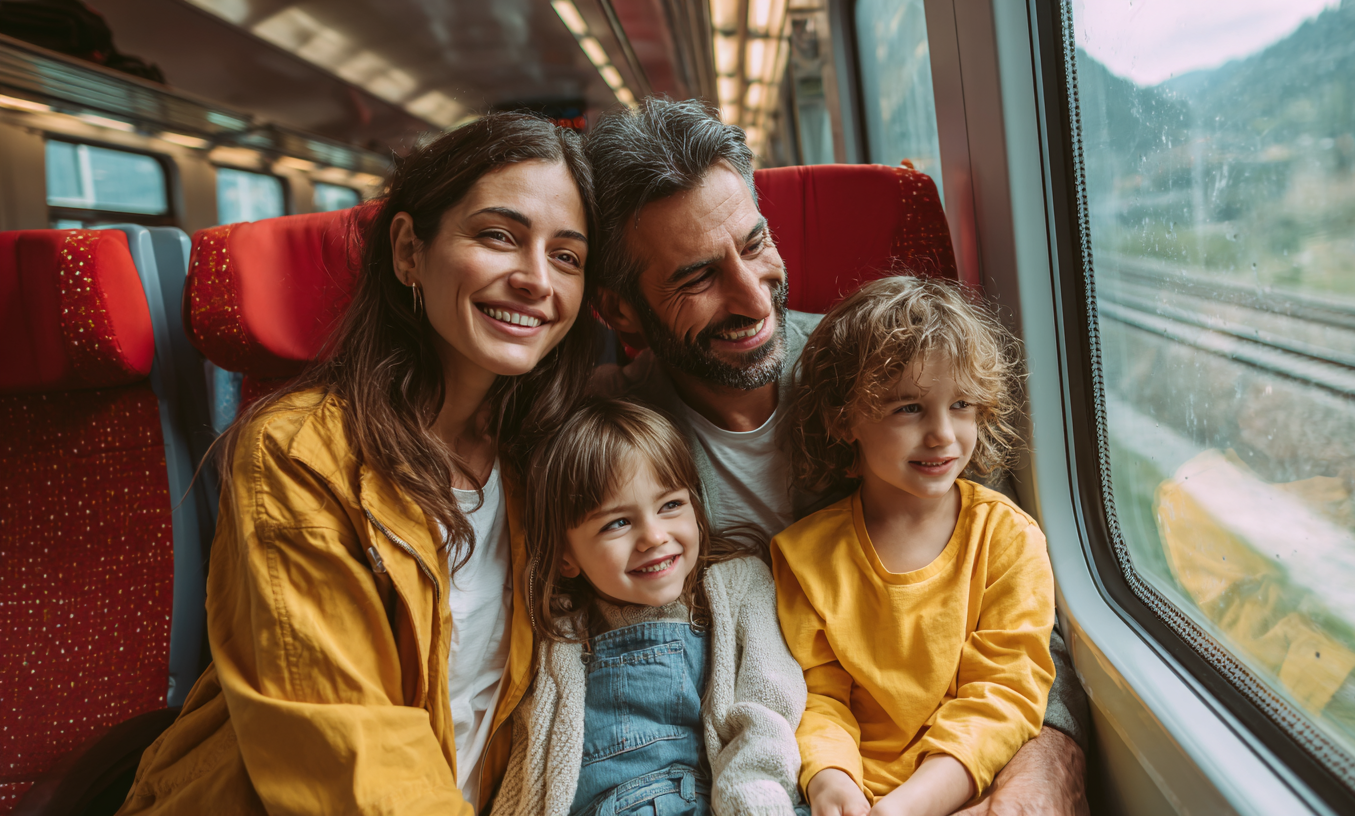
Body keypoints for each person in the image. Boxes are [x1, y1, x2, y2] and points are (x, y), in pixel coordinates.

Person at [586, 97, 1090, 814]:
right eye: (697, 277)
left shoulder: (895, 368)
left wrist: (1049, 760)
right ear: (619, 312)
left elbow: (1014, 601)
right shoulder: (608, 448)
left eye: (755, 244)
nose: (751, 297)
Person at [119, 113, 598, 815]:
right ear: (409, 251)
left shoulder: (544, 459)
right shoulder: (297, 453)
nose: (535, 279)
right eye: (499, 236)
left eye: (567, 256)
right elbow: (350, 747)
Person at [772, 276, 1054, 816]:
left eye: (963, 404)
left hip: (971, 787)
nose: (943, 435)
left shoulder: (1007, 540)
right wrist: (830, 779)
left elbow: (1002, 696)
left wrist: (908, 806)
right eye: (908, 408)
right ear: (842, 418)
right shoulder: (806, 557)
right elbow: (818, 697)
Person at [495, 398, 809, 816]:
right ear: (564, 556)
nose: (653, 536)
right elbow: (532, 755)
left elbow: (767, 706)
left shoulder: (738, 586)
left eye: (670, 505)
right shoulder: (557, 629)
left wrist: (756, 804)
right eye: (617, 523)